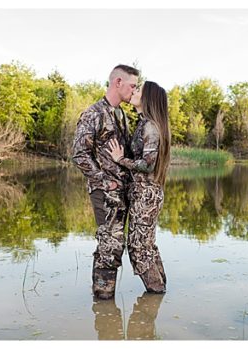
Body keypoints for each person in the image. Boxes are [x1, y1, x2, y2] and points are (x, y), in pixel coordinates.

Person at [71, 64, 139, 300]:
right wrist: (103, 181)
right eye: (133, 85)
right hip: (104, 193)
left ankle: (106, 309)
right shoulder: (94, 113)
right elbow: (79, 154)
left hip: (122, 192)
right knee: (108, 245)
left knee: (116, 244)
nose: (135, 90)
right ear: (117, 82)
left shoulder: (121, 114)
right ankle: (102, 301)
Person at [106, 81, 172, 294]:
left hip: (147, 195)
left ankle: (156, 292)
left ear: (148, 99)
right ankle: (159, 296)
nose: (134, 91)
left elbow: (147, 164)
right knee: (147, 245)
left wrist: (120, 159)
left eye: (138, 90)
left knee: (138, 248)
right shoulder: (147, 123)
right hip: (146, 194)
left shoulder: (151, 126)